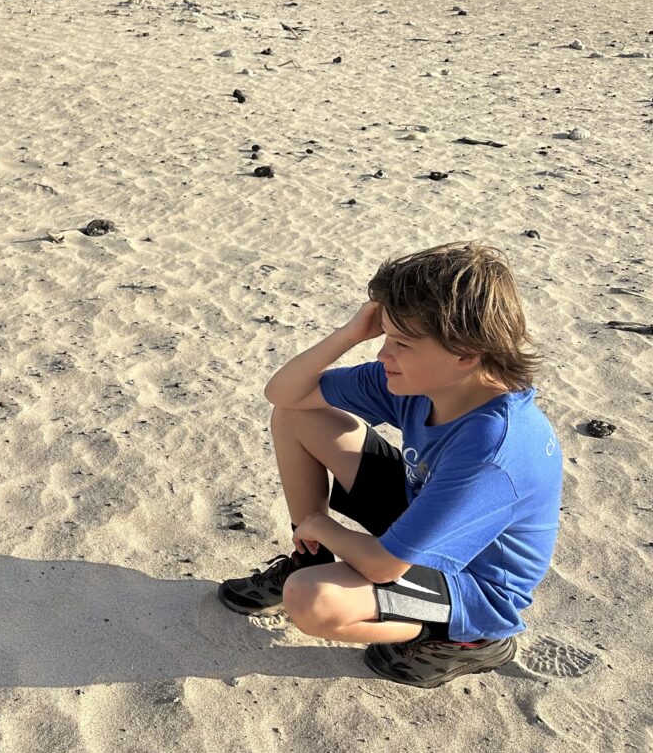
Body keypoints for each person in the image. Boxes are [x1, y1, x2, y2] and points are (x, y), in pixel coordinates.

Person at [217, 241, 562, 687]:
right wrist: (349, 334)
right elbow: (284, 394)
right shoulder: (428, 381)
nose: (383, 354)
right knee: (296, 416)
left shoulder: (493, 448)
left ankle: (470, 641)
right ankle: (308, 558)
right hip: (424, 512)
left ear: (465, 353)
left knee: (311, 600)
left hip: (474, 583)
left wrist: (320, 525)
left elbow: (384, 566)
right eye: (384, 336)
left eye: (401, 343)